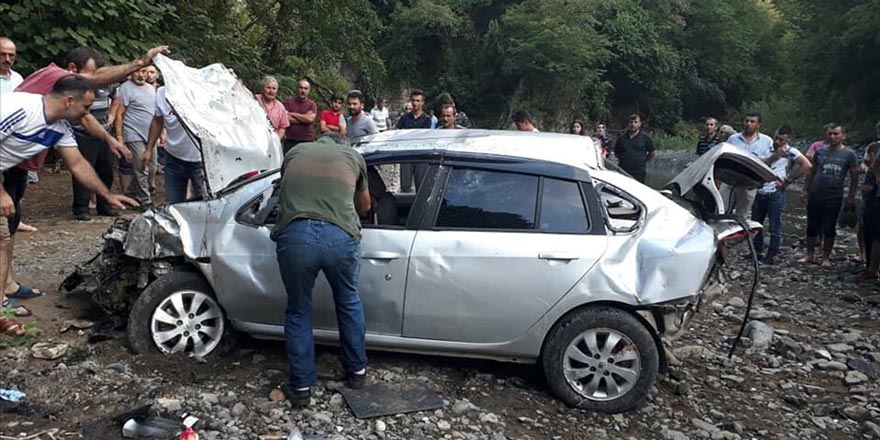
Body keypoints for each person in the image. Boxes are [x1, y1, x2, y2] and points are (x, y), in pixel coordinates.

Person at [1, 76, 138, 327]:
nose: (88, 114)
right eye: (86, 108)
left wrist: (107, 195)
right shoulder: (19, 108)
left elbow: (77, 164)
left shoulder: (60, 128)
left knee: (3, 238)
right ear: (69, 101)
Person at [272, 132, 372, 407]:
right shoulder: (354, 157)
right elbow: (365, 207)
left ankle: (302, 387)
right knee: (348, 301)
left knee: (299, 309)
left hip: (296, 236)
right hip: (340, 237)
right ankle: (356, 373)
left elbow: (284, 190)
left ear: (319, 142)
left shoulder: (294, 152)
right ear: (344, 145)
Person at [751, 126, 811, 265]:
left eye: (781, 139)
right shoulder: (766, 147)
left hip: (776, 192)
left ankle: (771, 255)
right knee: (755, 223)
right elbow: (758, 162)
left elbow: (806, 165)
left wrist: (788, 180)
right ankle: (756, 251)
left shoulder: (791, 152)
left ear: (787, 139)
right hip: (760, 189)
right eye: (776, 137)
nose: (777, 141)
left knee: (774, 225)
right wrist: (774, 157)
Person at [801, 124, 859, 267]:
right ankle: (810, 255)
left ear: (843, 135)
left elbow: (854, 177)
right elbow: (812, 171)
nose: (832, 136)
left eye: (836, 134)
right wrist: (805, 189)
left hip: (834, 195)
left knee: (829, 227)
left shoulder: (849, 154)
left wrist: (851, 197)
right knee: (812, 224)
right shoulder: (820, 152)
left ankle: (825, 257)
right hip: (816, 193)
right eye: (830, 134)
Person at [140, 83, 207, 204]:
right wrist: (148, 149)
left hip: (201, 159)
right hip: (173, 158)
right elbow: (157, 120)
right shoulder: (161, 93)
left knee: (207, 203)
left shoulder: (201, 89)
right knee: (173, 205)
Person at [115, 68, 157, 210]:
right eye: (137, 72)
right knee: (141, 167)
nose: (141, 75)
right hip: (133, 133)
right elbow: (119, 114)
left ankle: (131, 193)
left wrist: (161, 133)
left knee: (152, 168)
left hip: (151, 135)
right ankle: (145, 201)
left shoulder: (151, 89)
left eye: (144, 72)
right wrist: (120, 137)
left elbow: (156, 113)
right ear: (131, 73)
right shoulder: (126, 89)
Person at [721, 112, 773, 221]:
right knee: (721, 211)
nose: (748, 124)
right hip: (729, 181)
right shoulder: (733, 139)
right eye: (746, 121)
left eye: (752, 121)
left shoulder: (767, 141)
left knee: (742, 215)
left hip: (749, 183)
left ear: (758, 125)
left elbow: (768, 163)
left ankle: (739, 237)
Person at [396, 90, 432, 191]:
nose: (415, 103)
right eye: (413, 100)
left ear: (422, 102)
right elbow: (397, 132)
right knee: (405, 186)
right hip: (406, 154)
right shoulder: (404, 118)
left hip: (421, 155)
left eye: (418, 100)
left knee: (421, 186)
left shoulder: (426, 119)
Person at [858, 139, 880, 280]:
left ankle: (871, 268)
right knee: (873, 232)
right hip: (875, 199)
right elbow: (873, 166)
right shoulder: (874, 147)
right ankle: (871, 268)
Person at [613, 114, 656, 184]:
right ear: (628, 124)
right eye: (631, 122)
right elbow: (617, 153)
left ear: (640, 124)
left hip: (639, 173)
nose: (633, 124)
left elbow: (652, 153)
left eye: (635, 122)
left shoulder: (645, 138)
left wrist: (643, 159)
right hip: (623, 171)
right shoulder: (621, 139)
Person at [283, 79, 317, 154]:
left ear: (309, 91)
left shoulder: (312, 104)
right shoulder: (289, 102)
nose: (303, 90)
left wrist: (292, 114)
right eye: (301, 87)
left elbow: (309, 119)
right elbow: (285, 118)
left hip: (307, 140)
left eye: (305, 88)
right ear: (297, 88)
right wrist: (304, 118)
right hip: (290, 140)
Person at [256, 75, 290, 140]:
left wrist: (276, 141)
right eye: (268, 88)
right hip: (254, 139)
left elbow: (282, 127)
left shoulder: (280, 107)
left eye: (274, 88)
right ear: (263, 88)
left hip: (271, 141)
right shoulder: (254, 100)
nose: (271, 91)